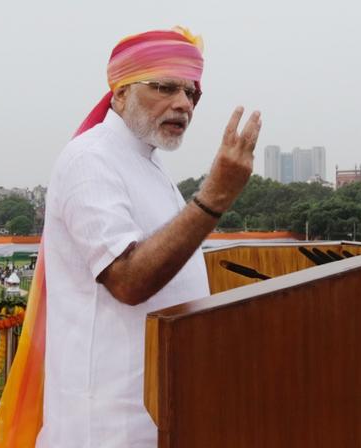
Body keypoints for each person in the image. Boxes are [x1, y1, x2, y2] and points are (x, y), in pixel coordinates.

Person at [38, 27, 261, 447]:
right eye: (164, 87)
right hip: (107, 424)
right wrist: (214, 196)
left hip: (157, 410)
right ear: (119, 94)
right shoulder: (90, 160)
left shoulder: (149, 164)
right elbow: (128, 279)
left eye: (192, 93)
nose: (183, 104)